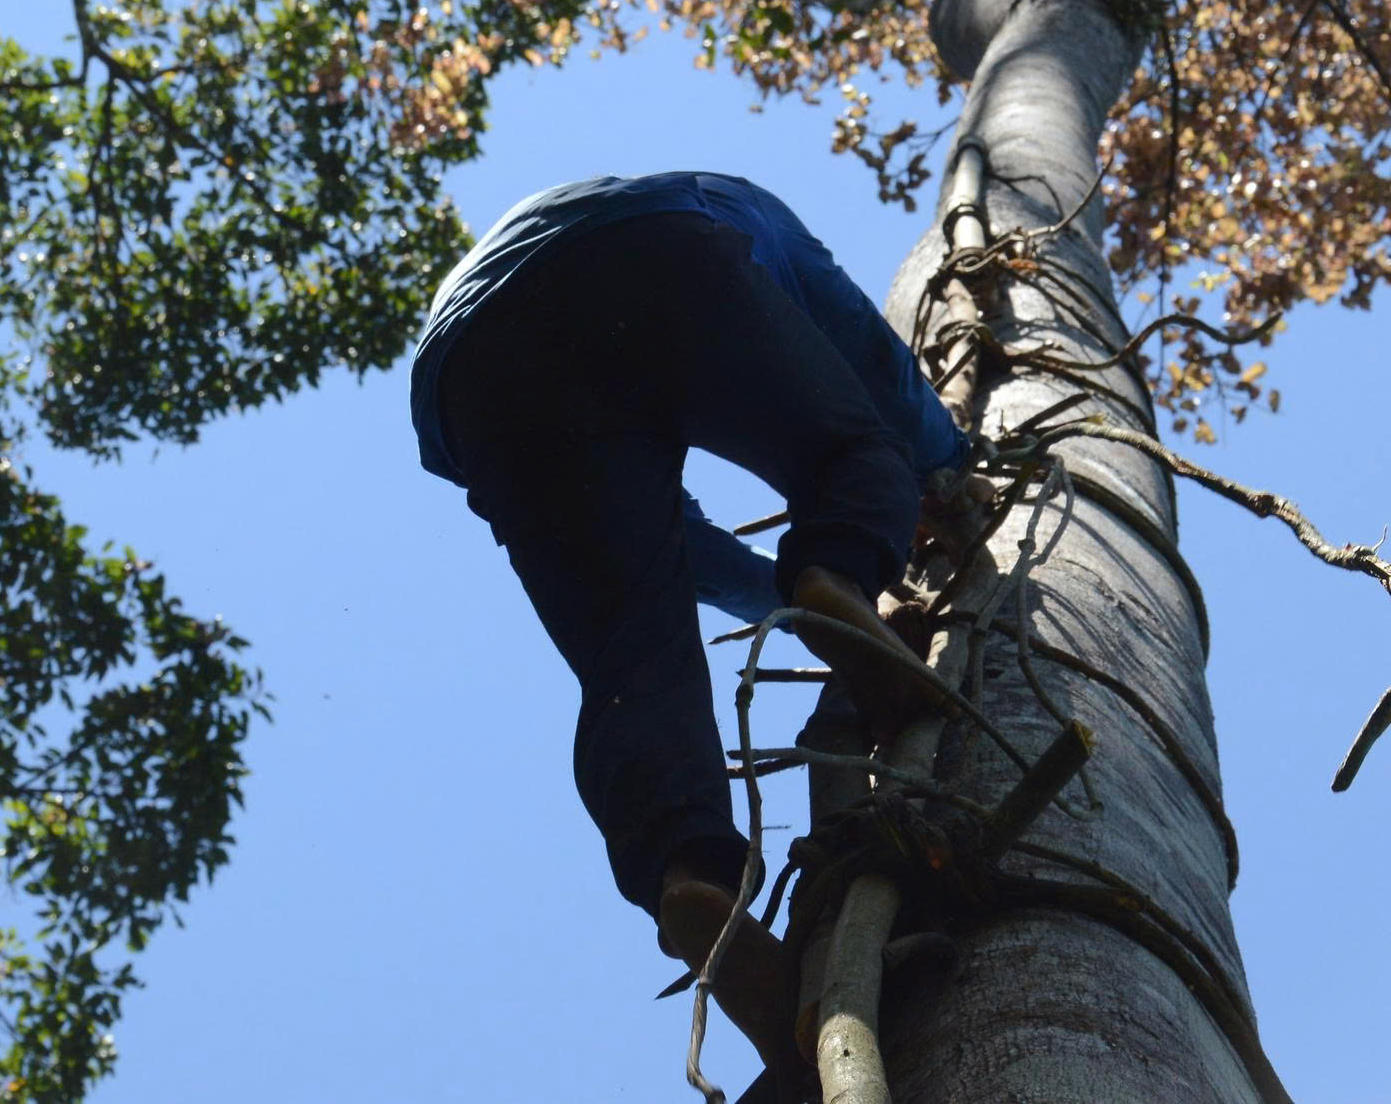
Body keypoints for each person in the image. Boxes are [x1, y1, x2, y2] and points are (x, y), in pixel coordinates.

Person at [409, 172, 970, 1078]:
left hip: (470, 374)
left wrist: (800, 615)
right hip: (657, 250)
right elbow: (869, 357)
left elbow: (683, 553)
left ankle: (691, 874)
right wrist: (944, 468)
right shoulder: (739, 200)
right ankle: (835, 562)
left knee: (635, 651)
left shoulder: (513, 250)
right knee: (857, 452)